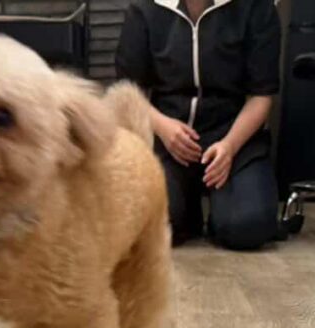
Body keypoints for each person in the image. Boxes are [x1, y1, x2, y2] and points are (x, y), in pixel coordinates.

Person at [115, 0, 282, 251]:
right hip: (169, 137)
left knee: (247, 226)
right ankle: (187, 211)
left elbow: (261, 95)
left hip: (234, 136)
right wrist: (162, 126)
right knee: (155, 225)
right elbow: (128, 90)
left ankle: (219, 213)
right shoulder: (144, 8)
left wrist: (230, 146)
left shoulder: (256, 7)